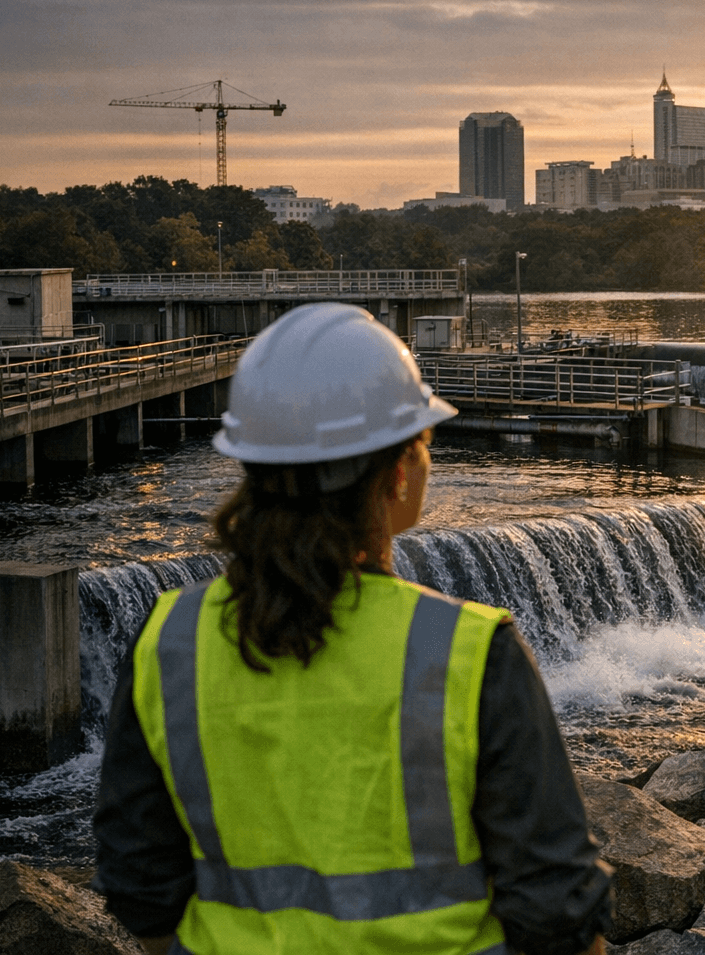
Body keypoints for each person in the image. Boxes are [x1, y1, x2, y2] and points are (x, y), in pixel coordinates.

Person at [93, 303, 612, 955]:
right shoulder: (469, 654)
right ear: (397, 474)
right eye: (422, 443)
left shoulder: (169, 642)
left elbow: (140, 888)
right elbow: (558, 914)